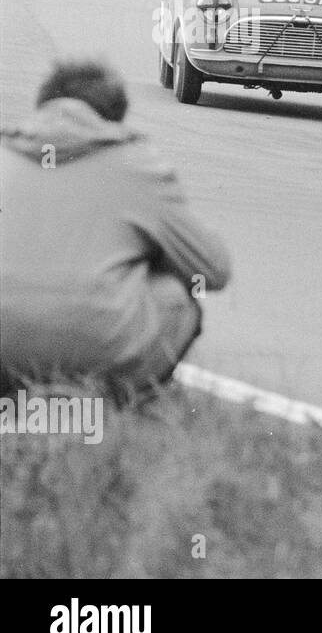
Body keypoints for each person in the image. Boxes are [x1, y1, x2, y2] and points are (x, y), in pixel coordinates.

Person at [0, 60, 231, 398]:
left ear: (41, 108)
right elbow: (214, 268)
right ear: (113, 118)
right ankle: (116, 400)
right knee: (177, 292)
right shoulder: (135, 165)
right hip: (100, 350)